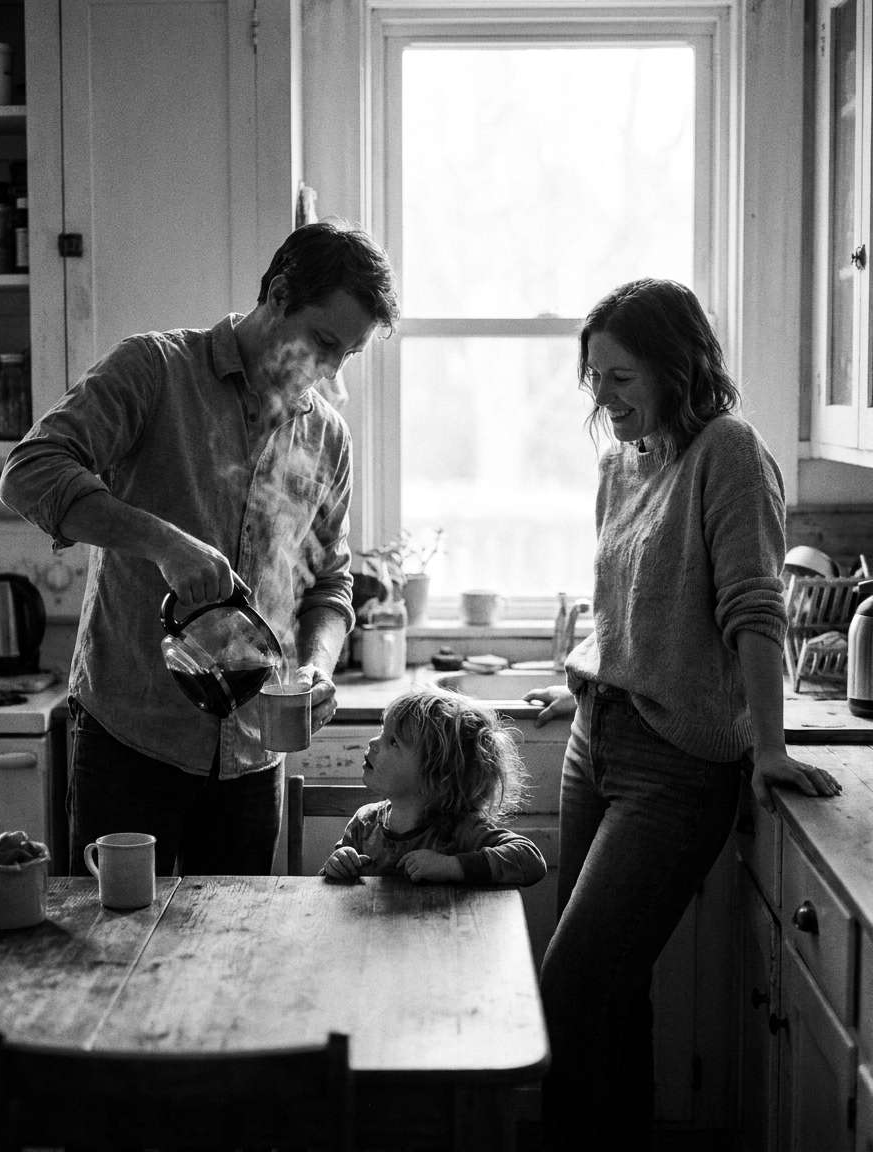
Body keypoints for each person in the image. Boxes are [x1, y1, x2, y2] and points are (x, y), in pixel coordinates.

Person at [524, 278, 842, 1152]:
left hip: (677, 765)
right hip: (601, 736)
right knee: (611, 991)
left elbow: (753, 607)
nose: (605, 400)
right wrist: (586, 677)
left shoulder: (729, 453)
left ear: (676, 365)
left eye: (621, 377)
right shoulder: (622, 465)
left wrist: (768, 747)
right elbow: (620, 599)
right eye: (595, 379)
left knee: (573, 987)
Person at [0, 220, 399, 878]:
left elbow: (330, 582)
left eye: (346, 356)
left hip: (251, 757)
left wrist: (319, 665)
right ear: (277, 293)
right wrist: (159, 541)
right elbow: (30, 471)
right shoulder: (154, 370)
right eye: (324, 341)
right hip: (131, 738)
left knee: (233, 962)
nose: (329, 371)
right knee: (114, 951)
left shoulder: (328, 437)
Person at [321, 686, 547, 886]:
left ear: (436, 778)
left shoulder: (458, 829)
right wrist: (337, 867)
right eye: (382, 732)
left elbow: (530, 860)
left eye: (393, 742)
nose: (373, 742)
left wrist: (452, 867)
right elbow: (327, 885)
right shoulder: (364, 823)